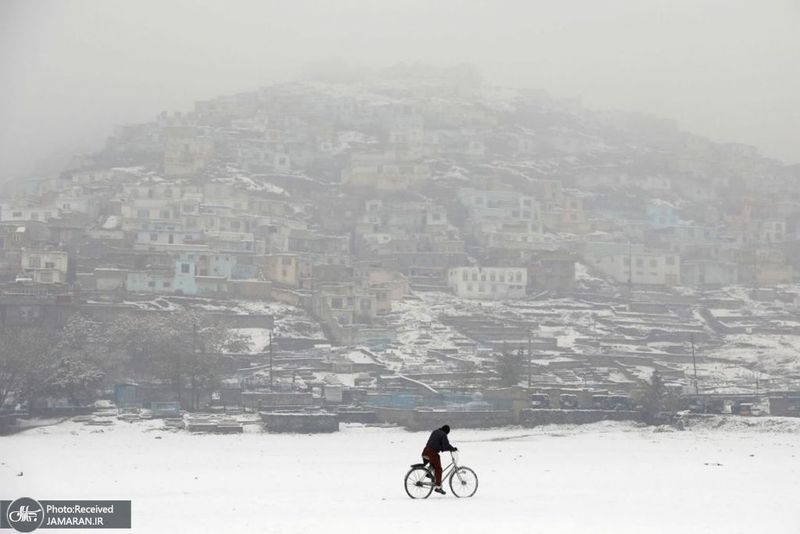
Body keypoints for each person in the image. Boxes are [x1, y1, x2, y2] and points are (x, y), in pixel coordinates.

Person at [421, 424, 457, 495]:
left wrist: (443, 448)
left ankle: (428, 473)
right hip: (432, 453)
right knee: (439, 469)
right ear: (446, 431)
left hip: (425, 451)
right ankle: (438, 487)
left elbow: (437, 443)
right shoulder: (443, 434)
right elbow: (445, 445)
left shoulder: (435, 431)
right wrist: (452, 449)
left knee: (434, 463)